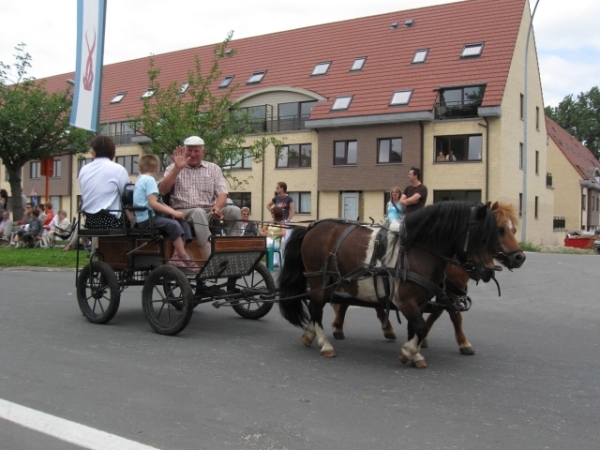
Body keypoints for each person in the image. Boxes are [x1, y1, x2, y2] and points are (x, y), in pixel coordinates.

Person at [159, 136, 241, 257]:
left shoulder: (214, 168)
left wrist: (217, 208)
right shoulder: (172, 168)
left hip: (209, 211)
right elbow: (162, 191)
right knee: (198, 212)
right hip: (183, 213)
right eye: (189, 150)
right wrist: (177, 169)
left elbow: (222, 193)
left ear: (203, 152)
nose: (192, 154)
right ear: (184, 151)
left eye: (196, 151)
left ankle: (232, 248)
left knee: (234, 210)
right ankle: (208, 250)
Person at [134, 154, 198, 271]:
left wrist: (173, 211)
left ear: (140, 168)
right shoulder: (149, 180)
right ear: (157, 169)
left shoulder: (140, 179)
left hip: (149, 217)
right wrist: (173, 212)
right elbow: (153, 203)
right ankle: (184, 256)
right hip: (147, 219)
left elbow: (159, 201)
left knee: (184, 224)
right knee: (173, 224)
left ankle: (175, 258)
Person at [78, 135, 130, 229]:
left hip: (90, 220)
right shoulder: (118, 169)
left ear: (94, 152)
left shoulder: (84, 169)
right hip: (111, 221)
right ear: (112, 152)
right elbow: (126, 195)